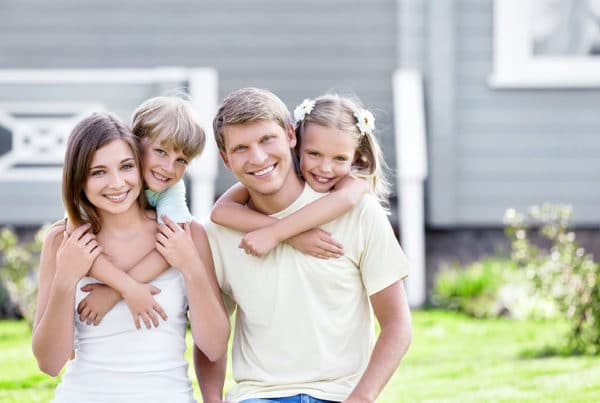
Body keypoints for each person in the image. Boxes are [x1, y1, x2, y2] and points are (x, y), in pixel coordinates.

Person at [195, 88, 412, 403]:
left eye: (267, 140)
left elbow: (397, 326)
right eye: (241, 147)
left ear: (290, 136)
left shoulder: (359, 212)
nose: (258, 158)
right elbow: (209, 339)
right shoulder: (216, 231)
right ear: (226, 159)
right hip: (258, 395)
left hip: (341, 395)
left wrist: (360, 399)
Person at [31, 113, 229, 402]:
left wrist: (191, 266)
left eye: (126, 167)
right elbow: (49, 365)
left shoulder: (186, 235)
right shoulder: (62, 241)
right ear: (78, 179)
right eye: (98, 172)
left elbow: (214, 346)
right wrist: (65, 278)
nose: (117, 183)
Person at [75, 96, 207, 329]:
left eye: (181, 160)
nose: (168, 168)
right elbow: (78, 245)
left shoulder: (171, 189)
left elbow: (172, 246)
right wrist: (128, 288)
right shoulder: (105, 184)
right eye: (161, 151)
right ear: (134, 142)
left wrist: (113, 292)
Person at [210, 94, 379, 258]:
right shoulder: (265, 177)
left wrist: (275, 233)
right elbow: (220, 212)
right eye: (314, 154)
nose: (325, 168)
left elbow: (347, 198)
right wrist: (293, 236)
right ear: (298, 143)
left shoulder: (354, 189)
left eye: (340, 158)